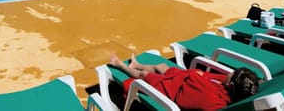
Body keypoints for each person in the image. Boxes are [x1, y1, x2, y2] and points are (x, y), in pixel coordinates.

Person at [109, 54, 259, 110]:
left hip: (174, 91)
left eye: (232, 74)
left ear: (230, 84)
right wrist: (198, 76)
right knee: (161, 66)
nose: (229, 72)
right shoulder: (227, 87)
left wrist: (196, 77)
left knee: (145, 75)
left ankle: (122, 66)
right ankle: (135, 64)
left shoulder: (215, 101)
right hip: (183, 80)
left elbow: (188, 99)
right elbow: (204, 78)